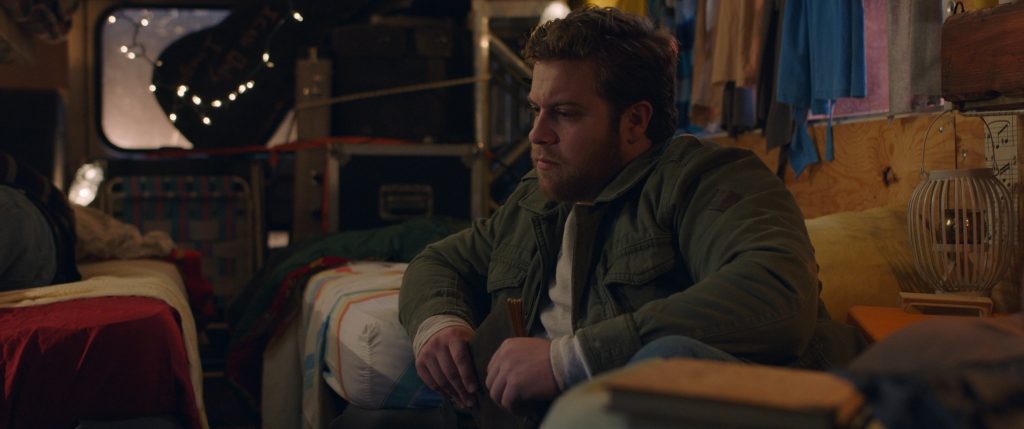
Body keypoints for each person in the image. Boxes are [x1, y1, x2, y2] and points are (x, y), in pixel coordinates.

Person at [398, 5, 862, 421]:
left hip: (647, 408)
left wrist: (571, 359)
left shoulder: (704, 180)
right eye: (536, 109)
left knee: (670, 359)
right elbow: (439, 261)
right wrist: (439, 322)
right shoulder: (535, 200)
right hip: (515, 415)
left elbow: (775, 291)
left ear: (635, 122)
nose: (537, 134)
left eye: (564, 113)